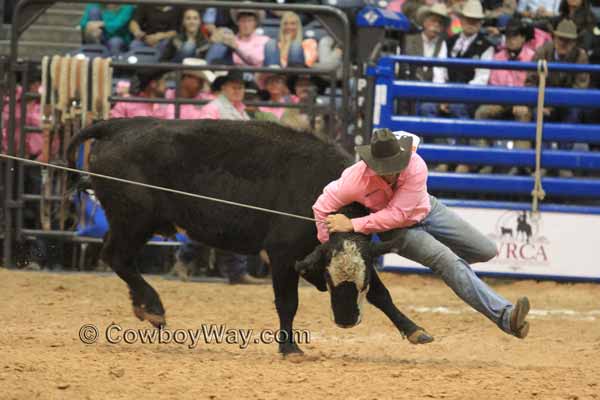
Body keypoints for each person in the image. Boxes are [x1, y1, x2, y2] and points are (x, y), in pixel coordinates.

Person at [313, 128, 531, 340]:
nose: (389, 171)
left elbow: (398, 213)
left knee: (485, 250)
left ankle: (454, 273)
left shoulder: (415, 165)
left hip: (426, 210)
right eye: (383, 167)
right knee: (448, 262)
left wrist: (353, 224)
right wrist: (332, 250)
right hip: (398, 232)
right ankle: (506, 316)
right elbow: (321, 207)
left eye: (393, 165)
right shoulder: (355, 179)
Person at [192, 70, 267, 284]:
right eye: (234, 86)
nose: (238, 90)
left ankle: (234, 270)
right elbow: (203, 139)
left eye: (241, 87)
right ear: (223, 88)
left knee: (227, 219)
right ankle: (191, 260)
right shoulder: (213, 109)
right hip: (215, 171)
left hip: (234, 174)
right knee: (212, 219)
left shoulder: (240, 112)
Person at [474, 17, 537, 174]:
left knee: (524, 116)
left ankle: (523, 165)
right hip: (501, 100)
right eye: (508, 36)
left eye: (515, 36)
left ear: (523, 38)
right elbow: (494, 83)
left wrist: (523, 101)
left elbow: (533, 83)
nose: (511, 40)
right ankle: (483, 158)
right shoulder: (498, 57)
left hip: (523, 102)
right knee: (481, 112)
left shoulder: (533, 57)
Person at [205, 7, 270, 67]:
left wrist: (236, 49)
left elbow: (256, 61)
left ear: (255, 23)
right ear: (237, 22)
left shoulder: (264, 40)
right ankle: (208, 69)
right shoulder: (231, 38)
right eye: (243, 21)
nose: (246, 25)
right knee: (223, 37)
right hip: (231, 72)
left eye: (250, 21)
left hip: (253, 73)